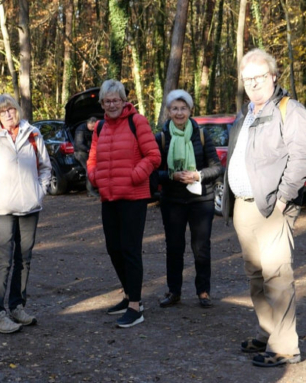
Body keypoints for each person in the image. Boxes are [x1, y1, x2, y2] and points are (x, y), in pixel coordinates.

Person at [222, 48, 306, 367]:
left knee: (277, 274)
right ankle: (268, 332)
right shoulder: (245, 114)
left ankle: (285, 347)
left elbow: (301, 158)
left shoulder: (291, 110)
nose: (253, 84)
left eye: (259, 77)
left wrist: (283, 198)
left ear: (273, 76)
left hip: (273, 207)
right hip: (243, 207)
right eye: (247, 79)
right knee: (255, 274)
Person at [0, 94, 51, 334]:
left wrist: (40, 192)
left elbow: (46, 167)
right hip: (3, 210)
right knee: (4, 260)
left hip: (30, 208)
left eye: (11, 110)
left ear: (17, 110)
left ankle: (17, 306)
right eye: (2, 112)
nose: (8, 114)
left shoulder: (33, 135)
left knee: (24, 259)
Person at [87, 79, 161, 328]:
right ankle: (129, 294)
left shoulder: (136, 121)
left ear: (123, 100)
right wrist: (93, 176)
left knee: (130, 250)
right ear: (102, 104)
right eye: (107, 101)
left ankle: (135, 306)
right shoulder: (99, 127)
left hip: (133, 197)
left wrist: (134, 177)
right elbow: (93, 158)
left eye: (115, 100)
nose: (111, 105)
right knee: (113, 248)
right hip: (108, 197)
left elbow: (153, 156)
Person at [156, 90, 222, 309]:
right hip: (172, 201)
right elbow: (153, 173)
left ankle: (203, 292)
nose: (179, 112)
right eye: (174, 108)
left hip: (201, 199)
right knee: (174, 248)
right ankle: (174, 291)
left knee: (201, 248)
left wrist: (197, 175)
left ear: (190, 110)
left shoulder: (202, 135)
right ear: (168, 111)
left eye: (183, 108)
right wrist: (171, 176)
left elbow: (216, 168)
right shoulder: (162, 137)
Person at [74, 117, 99, 197]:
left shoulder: (94, 130)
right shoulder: (80, 130)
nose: (93, 129)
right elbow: (79, 144)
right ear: (89, 123)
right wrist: (89, 150)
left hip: (91, 152)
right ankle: (90, 191)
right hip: (81, 152)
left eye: (94, 127)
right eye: (92, 127)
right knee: (89, 169)